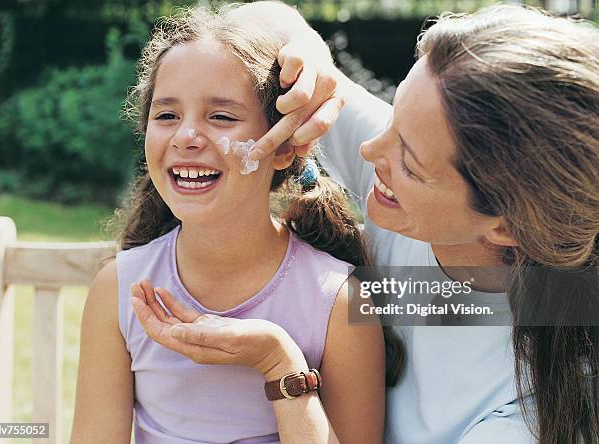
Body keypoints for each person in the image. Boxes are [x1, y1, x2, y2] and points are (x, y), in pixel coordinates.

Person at [141, 2, 599, 444]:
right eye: (393, 117)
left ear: (504, 226)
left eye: (411, 164)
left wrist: (281, 367)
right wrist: (308, 50)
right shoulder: (418, 149)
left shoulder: (534, 414)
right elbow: (251, 22)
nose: (369, 151)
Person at [70, 5, 385, 444]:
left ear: (282, 148)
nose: (186, 136)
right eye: (166, 115)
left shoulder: (339, 302)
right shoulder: (118, 289)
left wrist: (280, 363)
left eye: (221, 117)